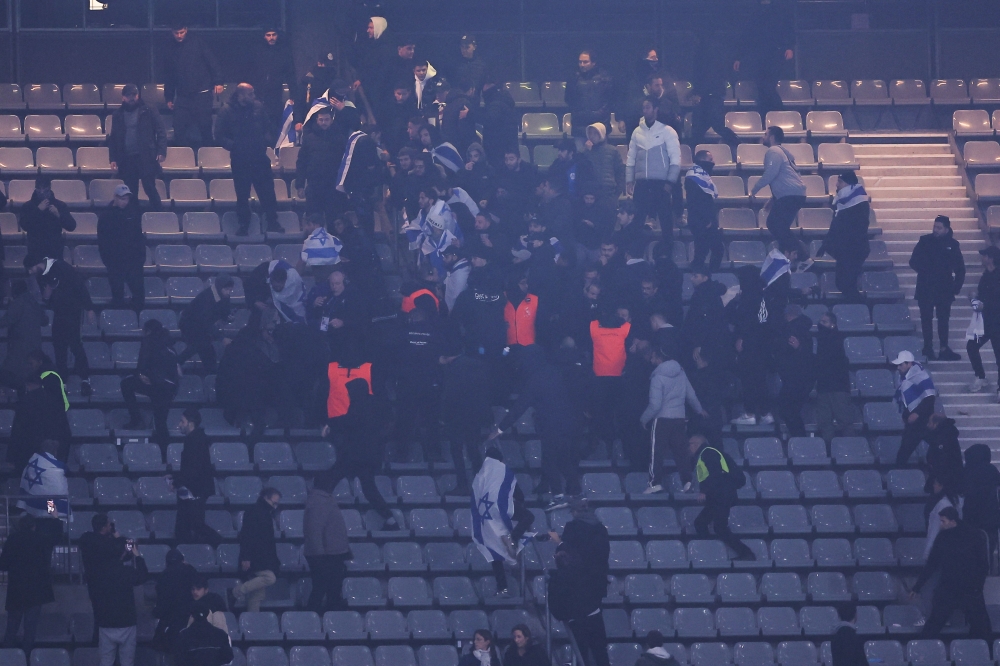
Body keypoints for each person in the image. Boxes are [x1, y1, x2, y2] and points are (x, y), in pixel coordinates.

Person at [489, 345, 580, 507]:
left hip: (551, 425)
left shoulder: (536, 379)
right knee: (565, 460)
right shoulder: (557, 372)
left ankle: (558, 496)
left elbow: (519, 407)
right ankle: (577, 494)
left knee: (549, 461)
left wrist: (500, 428)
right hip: (570, 423)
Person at [321, 377, 401, 530]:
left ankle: (318, 512)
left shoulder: (360, 406)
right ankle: (390, 519)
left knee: (329, 480)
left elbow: (349, 422)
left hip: (354, 455)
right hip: (370, 456)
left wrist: (330, 423)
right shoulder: (374, 405)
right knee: (369, 489)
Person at [547, 497, 611, 666]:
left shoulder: (573, 528)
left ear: (575, 512)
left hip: (576, 597)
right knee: (599, 650)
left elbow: (572, 557)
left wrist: (559, 543)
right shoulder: (601, 529)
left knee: (580, 651)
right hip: (595, 595)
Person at [910, 506, 991, 639]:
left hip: (953, 588)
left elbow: (932, 564)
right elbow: (983, 565)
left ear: (953, 521)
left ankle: (922, 652)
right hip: (967, 588)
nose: (941, 524)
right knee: (981, 626)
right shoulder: (974, 535)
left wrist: (918, 586)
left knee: (934, 624)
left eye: (943, 521)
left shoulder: (945, 538)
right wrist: (978, 586)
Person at [80, 514, 149, 666]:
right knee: (127, 661)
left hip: (105, 620)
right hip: (126, 621)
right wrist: (136, 554)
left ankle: (95, 637)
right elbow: (142, 576)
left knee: (106, 661)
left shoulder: (88, 542)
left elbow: (117, 548)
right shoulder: (125, 572)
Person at [214, 83, 280, 235]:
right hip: (240, 159)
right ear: (241, 95)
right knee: (242, 195)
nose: (254, 97)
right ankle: (244, 225)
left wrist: (264, 142)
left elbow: (269, 127)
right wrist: (235, 146)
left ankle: (272, 222)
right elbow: (219, 135)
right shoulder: (226, 111)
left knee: (268, 193)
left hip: (259, 158)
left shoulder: (259, 108)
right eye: (250, 94)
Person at [640, 345, 707, 494]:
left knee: (656, 453)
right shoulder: (681, 373)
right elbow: (691, 395)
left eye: (653, 357)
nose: (651, 360)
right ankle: (687, 481)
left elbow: (655, 404)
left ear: (658, 358)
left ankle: (654, 483)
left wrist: (644, 419)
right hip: (679, 419)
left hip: (662, 420)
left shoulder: (657, 377)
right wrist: (699, 409)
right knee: (681, 452)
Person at [470, 449, 535, 596]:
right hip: (501, 507)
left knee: (493, 547)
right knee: (528, 516)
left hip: (485, 514)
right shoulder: (503, 470)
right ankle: (513, 537)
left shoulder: (480, 474)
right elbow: (519, 494)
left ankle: (502, 587)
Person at [36, 258, 96, 398]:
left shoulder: (62, 268)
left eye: (31, 268)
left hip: (72, 313)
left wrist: (89, 308)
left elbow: (79, 286)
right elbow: (47, 299)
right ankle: (65, 381)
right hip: (60, 314)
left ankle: (84, 380)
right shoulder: (43, 275)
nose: (30, 272)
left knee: (75, 346)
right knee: (60, 348)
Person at [0, 514, 58, 656]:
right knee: (30, 629)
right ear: (34, 526)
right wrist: (54, 517)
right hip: (36, 590)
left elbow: (3, 564)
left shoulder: (12, 539)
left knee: (11, 628)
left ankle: (7, 659)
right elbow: (55, 537)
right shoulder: (41, 539)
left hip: (16, 589)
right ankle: (26, 659)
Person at [690, 434, 755, 560]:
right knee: (701, 523)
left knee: (718, 527)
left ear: (696, 444)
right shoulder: (710, 452)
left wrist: (703, 491)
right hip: (720, 495)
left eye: (690, 444)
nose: (688, 448)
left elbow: (714, 473)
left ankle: (746, 554)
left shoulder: (707, 453)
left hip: (721, 495)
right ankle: (711, 553)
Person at [909, 215, 965, 360]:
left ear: (946, 229)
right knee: (926, 318)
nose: (935, 230)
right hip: (926, 286)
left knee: (943, 319)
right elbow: (913, 261)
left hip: (944, 288)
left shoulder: (953, 244)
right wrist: (927, 272)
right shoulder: (924, 241)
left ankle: (943, 348)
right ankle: (928, 347)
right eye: (935, 226)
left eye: (939, 228)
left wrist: (955, 287)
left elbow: (960, 268)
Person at [440, 340, 492, 493]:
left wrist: (443, 416)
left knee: (456, 450)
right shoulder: (478, 365)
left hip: (457, 415)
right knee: (473, 449)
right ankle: (481, 484)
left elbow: (449, 394)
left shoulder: (453, 369)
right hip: (476, 414)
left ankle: (462, 485)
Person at [626, 97, 681, 238]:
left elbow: (675, 159)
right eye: (643, 107)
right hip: (642, 183)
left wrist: (670, 182)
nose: (645, 110)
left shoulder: (668, 131)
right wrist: (629, 179)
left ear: (656, 109)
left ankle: (666, 253)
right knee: (637, 220)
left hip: (661, 184)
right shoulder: (636, 131)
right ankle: (635, 255)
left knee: (665, 221)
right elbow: (631, 157)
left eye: (648, 107)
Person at [164, 24, 223, 151]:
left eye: (181, 32)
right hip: (183, 96)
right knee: (179, 128)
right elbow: (169, 74)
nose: (179, 36)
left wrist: (218, 81)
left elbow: (212, 62)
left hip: (202, 93)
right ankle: (183, 161)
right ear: (172, 32)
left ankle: (209, 160)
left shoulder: (198, 42)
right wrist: (168, 96)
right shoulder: (170, 47)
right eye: (176, 33)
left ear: (186, 30)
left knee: (205, 128)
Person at [120, 319, 180, 446]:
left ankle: (136, 420)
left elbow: (142, 365)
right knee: (161, 423)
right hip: (169, 388)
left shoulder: (148, 341)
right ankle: (165, 456)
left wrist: (140, 375)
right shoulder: (170, 344)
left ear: (148, 331)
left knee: (126, 384)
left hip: (154, 384)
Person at [107, 85, 167, 210]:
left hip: (146, 157)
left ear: (138, 95)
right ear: (123, 97)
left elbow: (161, 131)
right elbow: (114, 138)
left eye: (133, 95)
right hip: (127, 158)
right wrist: (113, 158)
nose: (131, 98)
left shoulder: (149, 110)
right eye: (128, 95)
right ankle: (134, 219)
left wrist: (161, 151)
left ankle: (160, 214)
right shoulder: (117, 115)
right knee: (130, 192)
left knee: (149, 187)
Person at [733, 0, 795, 115]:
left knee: (768, 87)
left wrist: (789, 47)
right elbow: (745, 35)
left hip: (774, 55)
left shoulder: (780, 10)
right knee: (761, 88)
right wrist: (739, 57)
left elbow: (788, 29)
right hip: (757, 56)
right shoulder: (752, 11)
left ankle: (777, 114)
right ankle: (769, 115)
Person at [818, 171, 870, 302]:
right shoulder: (844, 202)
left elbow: (851, 228)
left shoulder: (859, 203)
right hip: (847, 250)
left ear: (848, 183)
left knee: (845, 283)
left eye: (840, 181)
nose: (836, 184)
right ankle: (858, 307)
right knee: (844, 283)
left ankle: (861, 306)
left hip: (853, 249)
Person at [173, 408, 222, 546]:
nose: (179, 424)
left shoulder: (194, 441)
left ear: (190, 423)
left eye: (182, 421)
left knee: (193, 523)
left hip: (194, 489)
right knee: (185, 524)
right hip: (194, 488)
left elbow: (192, 469)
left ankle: (219, 542)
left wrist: (176, 482)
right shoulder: (197, 439)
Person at [749, 127, 806, 245]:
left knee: (774, 224)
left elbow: (770, 173)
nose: (762, 137)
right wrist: (773, 198)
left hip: (789, 196)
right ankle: (791, 254)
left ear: (772, 137)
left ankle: (801, 256)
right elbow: (787, 178)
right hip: (796, 194)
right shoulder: (784, 152)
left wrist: (754, 190)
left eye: (765, 134)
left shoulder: (773, 151)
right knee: (781, 227)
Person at [303, 472, 351, 613]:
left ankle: (328, 616)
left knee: (329, 588)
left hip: (330, 553)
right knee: (322, 588)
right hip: (326, 554)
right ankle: (314, 618)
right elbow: (314, 530)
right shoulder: (319, 501)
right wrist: (319, 555)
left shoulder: (320, 499)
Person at [294, 107, 348, 226]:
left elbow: (346, 163)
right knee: (313, 221)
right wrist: (300, 185)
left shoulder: (340, 139)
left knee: (335, 221)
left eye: (326, 120)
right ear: (317, 121)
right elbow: (301, 163)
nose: (324, 122)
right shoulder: (309, 139)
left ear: (331, 120)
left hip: (334, 187)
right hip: (314, 186)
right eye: (321, 120)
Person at [231, 487, 281, 612]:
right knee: (269, 578)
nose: (275, 506)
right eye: (274, 502)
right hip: (257, 557)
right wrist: (246, 557)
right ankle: (237, 591)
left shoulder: (259, 511)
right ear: (266, 497)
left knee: (256, 595)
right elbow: (247, 536)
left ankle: (253, 622)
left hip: (259, 556)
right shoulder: (256, 512)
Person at [97, 184, 145, 309]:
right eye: (122, 199)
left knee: (138, 295)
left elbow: (138, 236)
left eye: (126, 199)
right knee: (117, 295)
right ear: (115, 198)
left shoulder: (132, 214)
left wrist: (140, 257)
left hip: (133, 260)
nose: (125, 202)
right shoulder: (106, 216)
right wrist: (108, 260)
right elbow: (102, 241)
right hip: (115, 261)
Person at [814, 312, 857, 443]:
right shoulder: (820, 340)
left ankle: (850, 452)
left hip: (838, 387)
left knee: (845, 421)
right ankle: (829, 452)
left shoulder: (836, 339)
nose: (821, 324)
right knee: (824, 422)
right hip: (824, 387)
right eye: (820, 321)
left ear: (833, 324)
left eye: (824, 322)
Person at [774, 303, 815, 437]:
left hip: (795, 378)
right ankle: (799, 438)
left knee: (787, 410)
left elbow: (786, 352)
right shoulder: (803, 330)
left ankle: (800, 438)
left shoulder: (791, 330)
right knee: (790, 410)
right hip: (802, 379)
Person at [176, 275, 233, 372]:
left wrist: (227, 317)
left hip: (201, 326)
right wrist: (221, 338)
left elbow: (223, 311)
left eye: (230, 290)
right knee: (200, 344)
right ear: (220, 287)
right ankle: (176, 362)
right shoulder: (206, 298)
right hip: (189, 324)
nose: (228, 292)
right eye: (226, 289)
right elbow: (204, 321)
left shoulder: (223, 295)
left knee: (205, 349)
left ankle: (177, 363)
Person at [892, 350, 937, 465]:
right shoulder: (904, 377)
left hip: (923, 421)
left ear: (909, 364)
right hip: (915, 423)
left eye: (901, 364)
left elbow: (930, 398)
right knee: (903, 453)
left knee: (903, 454)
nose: (898, 367)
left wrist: (916, 413)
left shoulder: (920, 376)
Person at [248, 26, 296, 134]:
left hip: (275, 93)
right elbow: (249, 71)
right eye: (268, 35)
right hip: (257, 92)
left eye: (274, 35)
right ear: (264, 36)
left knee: (274, 122)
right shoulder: (257, 51)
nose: (271, 38)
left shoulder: (284, 52)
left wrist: (293, 95)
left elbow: (291, 74)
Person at [21, 176, 76, 269]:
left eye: (45, 190)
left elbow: (72, 226)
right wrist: (37, 210)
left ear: (49, 189)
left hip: (54, 250)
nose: (42, 193)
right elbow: (24, 225)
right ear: (36, 189)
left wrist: (59, 215)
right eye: (39, 190)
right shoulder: (28, 206)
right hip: (35, 251)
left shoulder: (59, 205)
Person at [0, 280, 46, 391]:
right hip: (35, 347)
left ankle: (21, 391)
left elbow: (5, 321)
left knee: (6, 373)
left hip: (20, 347)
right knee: (29, 373)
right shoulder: (33, 302)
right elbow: (45, 320)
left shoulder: (18, 303)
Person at [968, 245, 1000, 397]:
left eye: (985, 255)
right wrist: (974, 298)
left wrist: (985, 305)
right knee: (971, 346)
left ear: (991, 258)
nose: (982, 258)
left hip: (997, 322)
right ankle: (981, 377)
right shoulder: (985, 275)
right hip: (985, 322)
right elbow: (982, 295)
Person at [152, 549, 197, 653]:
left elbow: (161, 601)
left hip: (170, 619)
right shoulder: (190, 571)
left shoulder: (163, 575)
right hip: (189, 617)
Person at [685, 150, 723, 271]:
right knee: (704, 251)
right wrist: (707, 219)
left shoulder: (701, 176)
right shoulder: (693, 177)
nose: (713, 162)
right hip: (701, 222)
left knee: (706, 251)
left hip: (703, 220)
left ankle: (704, 277)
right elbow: (696, 202)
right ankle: (701, 276)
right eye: (710, 160)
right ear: (702, 161)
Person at [963, 443, 1000, 564]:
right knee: (988, 545)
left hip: (971, 515)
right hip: (991, 516)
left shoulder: (968, 471)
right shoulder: (991, 470)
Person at [566, 49, 614, 137]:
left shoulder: (605, 79)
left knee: (601, 150)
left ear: (593, 63)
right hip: (579, 125)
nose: (582, 65)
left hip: (599, 125)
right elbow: (569, 100)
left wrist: (597, 114)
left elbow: (609, 101)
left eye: (585, 62)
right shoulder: (573, 79)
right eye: (580, 62)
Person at [172, 600, 233, 666]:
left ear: (192, 615)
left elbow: (178, 660)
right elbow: (228, 657)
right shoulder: (221, 634)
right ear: (207, 614)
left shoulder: (183, 635)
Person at [583, 123, 625, 209]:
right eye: (590, 133)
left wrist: (616, 194)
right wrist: (587, 151)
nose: (592, 136)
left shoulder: (612, 150)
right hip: (592, 196)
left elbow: (620, 172)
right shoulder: (586, 152)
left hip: (609, 194)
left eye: (595, 133)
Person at [480, 82, 518, 170]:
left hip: (497, 146)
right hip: (508, 144)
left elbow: (489, 120)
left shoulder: (495, 104)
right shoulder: (504, 101)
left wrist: (471, 114)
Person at [925, 413, 962, 496]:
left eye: (930, 423)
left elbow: (942, 462)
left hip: (944, 482)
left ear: (936, 424)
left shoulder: (942, 439)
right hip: (947, 479)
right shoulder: (948, 435)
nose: (928, 425)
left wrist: (939, 481)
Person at [454, 34, 490, 99]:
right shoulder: (455, 64)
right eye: (462, 47)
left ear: (474, 47)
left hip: (475, 100)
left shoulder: (481, 65)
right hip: (458, 99)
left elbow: (485, 83)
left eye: (467, 47)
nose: (464, 50)